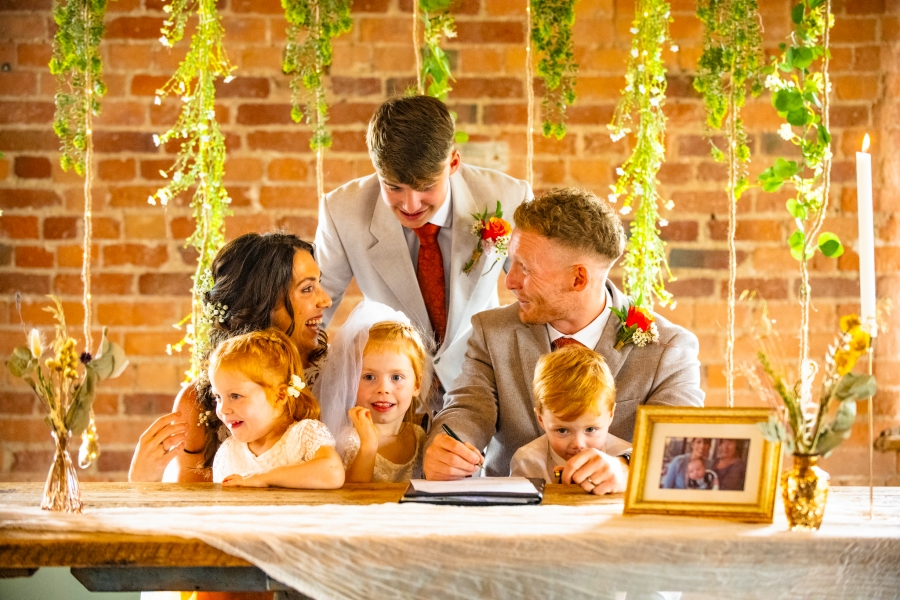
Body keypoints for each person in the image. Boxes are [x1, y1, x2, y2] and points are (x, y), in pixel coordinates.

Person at [425, 188, 705, 493]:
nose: (510, 281)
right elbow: (467, 408)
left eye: (525, 268)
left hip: (612, 516)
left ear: (578, 278)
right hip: (510, 513)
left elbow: (679, 444)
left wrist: (626, 467)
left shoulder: (670, 349)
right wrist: (448, 446)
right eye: (512, 263)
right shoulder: (491, 331)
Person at [314, 95, 532, 401]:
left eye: (426, 187)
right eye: (393, 187)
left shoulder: (507, 197)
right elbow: (314, 308)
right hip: (391, 391)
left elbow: (539, 290)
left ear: (453, 162)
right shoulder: (342, 210)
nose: (410, 205)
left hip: (483, 381)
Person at [128, 232, 332, 483]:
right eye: (307, 289)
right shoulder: (198, 403)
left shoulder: (346, 377)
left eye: (318, 285)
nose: (326, 300)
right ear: (261, 302)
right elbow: (192, 500)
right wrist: (142, 479)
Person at [208, 329, 343, 488]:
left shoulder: (301, 436)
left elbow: (333, 472)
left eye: (235, 396)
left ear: (279, 396)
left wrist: (263, 478)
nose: (223, 409)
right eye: (218, 397)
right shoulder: (229, 452)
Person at [316, 301, 431, 482]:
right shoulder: (349, 440)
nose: (383, 389)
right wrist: (368, 446)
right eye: (369, 377)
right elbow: (352, 493)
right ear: (351, 383)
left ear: (417, 385)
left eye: (396, 377)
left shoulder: (419, 436)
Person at [509, 345, 631, 493]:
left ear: (611, 415)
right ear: (541, 419)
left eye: (590, 429)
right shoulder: (527, 461)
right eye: (562, 430)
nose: (578, 444)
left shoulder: (627, 461)